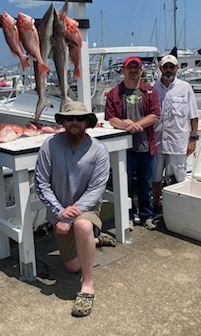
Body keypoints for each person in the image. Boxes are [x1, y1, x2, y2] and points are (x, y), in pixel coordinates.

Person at [35, 101, 115, 317]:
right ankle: (95, 240)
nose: (74, 123)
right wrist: (60, 212)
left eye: (80, 119)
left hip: (85, 209)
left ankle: (87, 286)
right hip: (59, 211)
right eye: (69, 118)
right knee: (71, 266)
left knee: (81, 225)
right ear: (62, 121)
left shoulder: (99, 150)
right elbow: (41, 184)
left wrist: (70, 217)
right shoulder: (49, 146)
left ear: (87, 122)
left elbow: (96, 190)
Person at [105, 56, 160, 231]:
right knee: (125, 185)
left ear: (141, 70)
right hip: (125, 149)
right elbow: (111, 118)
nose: (133, 71)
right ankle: (127, 215)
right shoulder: (114, 93)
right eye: (130, 68)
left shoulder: (150, 91)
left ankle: (147, 215)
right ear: (123, 70)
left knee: (146, 184)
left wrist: (137, 125)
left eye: (136, 68)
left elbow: (154, 115)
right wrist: (124, 125)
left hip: (146, 147)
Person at [152, 54, 199, 212]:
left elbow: (193, 116)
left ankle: (180, 208)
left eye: (172, 67)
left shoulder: (185, 88)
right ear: (161, 68)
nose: (169, 70)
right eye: (166, 66)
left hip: (178, 142)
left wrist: (192, 140)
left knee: (179, 177)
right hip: (157, 142)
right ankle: (156, 205)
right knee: (156, 176)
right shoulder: (153, 88)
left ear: (177, 69)